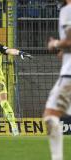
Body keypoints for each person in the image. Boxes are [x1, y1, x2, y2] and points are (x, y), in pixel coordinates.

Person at [45, 1, 71, 160]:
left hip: (69, 75)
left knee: (50, 116)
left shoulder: (67, 10)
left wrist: (54, 44)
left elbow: (69, 41)